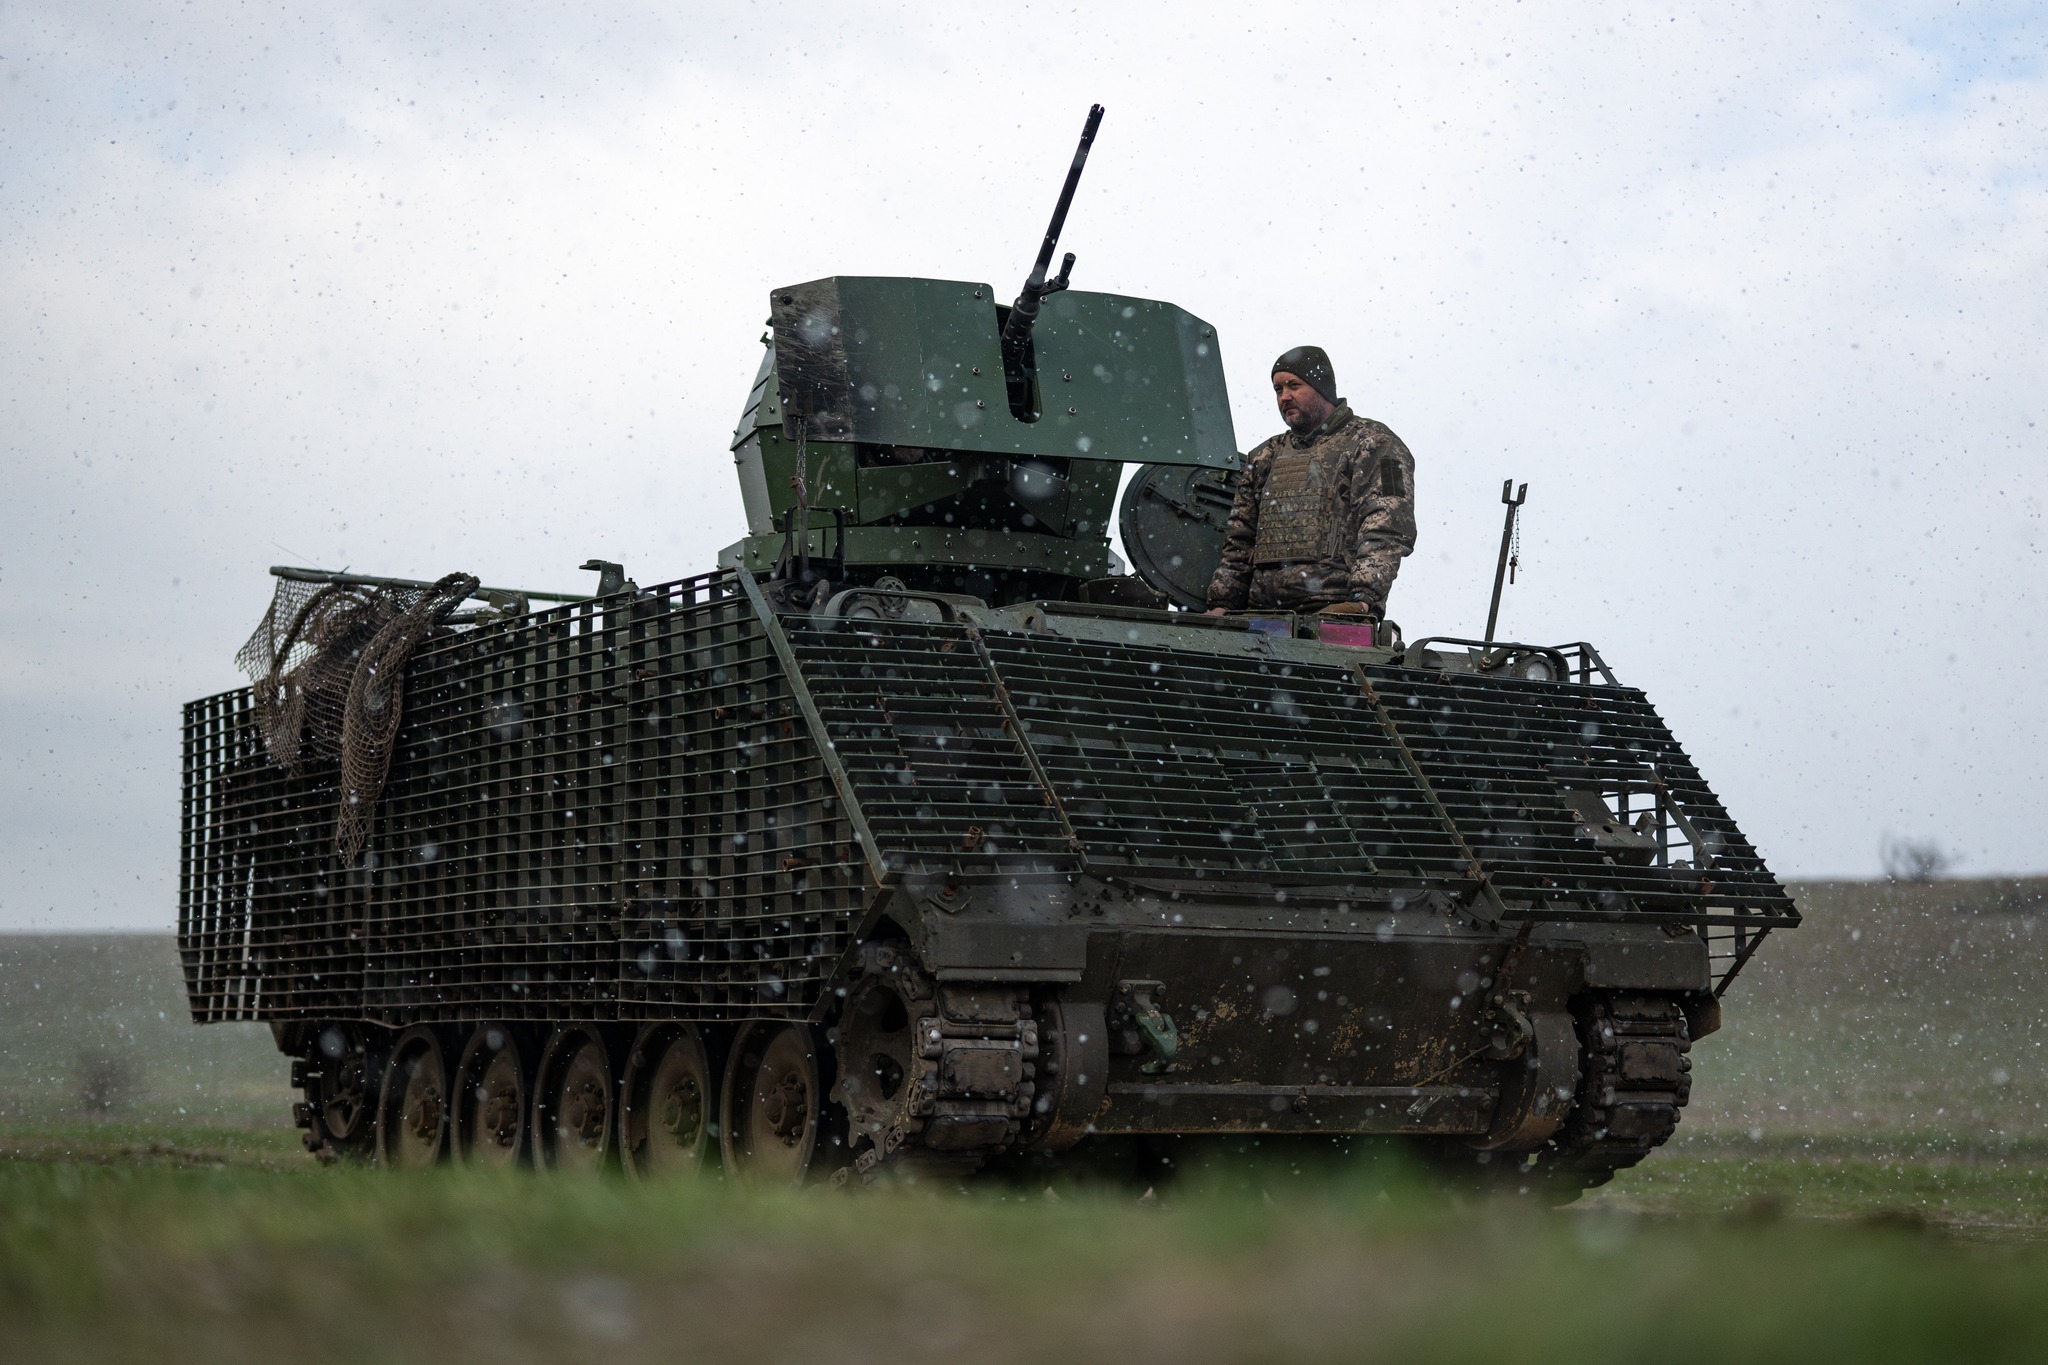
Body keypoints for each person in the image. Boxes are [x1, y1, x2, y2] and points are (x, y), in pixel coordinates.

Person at [1204, 346, 1415, 619]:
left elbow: (1388, 527)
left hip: (1333, 612)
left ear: (1321, 388)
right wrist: (1223, 604)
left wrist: (1363, 600)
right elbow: (1239, 540)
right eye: (1278, 389)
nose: (1285, 397)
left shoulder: (1375, 445)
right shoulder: (1264, 456)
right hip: (1259, 617)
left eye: (1294, 385)